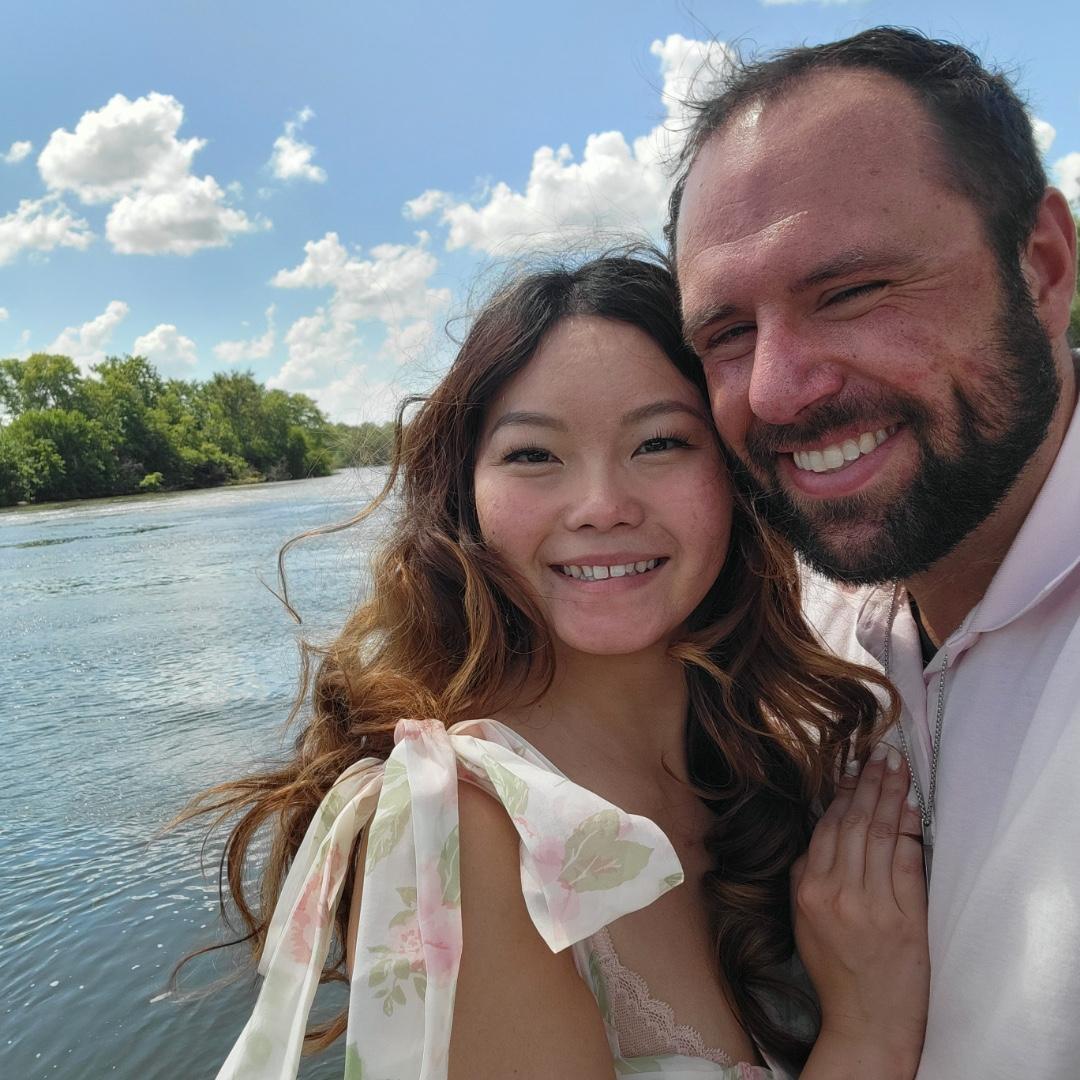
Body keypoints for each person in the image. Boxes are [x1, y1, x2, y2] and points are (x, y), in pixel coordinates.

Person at [184, 251, 928, 1080]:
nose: (603, 505)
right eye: (535, 456)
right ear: (465, 497)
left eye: (661, 441)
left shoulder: (765, 750)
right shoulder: (460, 831)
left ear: (735, 475)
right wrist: (868, 1032)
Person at [668, 26, 1080, 1079]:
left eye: (849, 292)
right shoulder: (798, 636)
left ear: (1042, 266)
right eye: (725, 336)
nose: (772, 391)